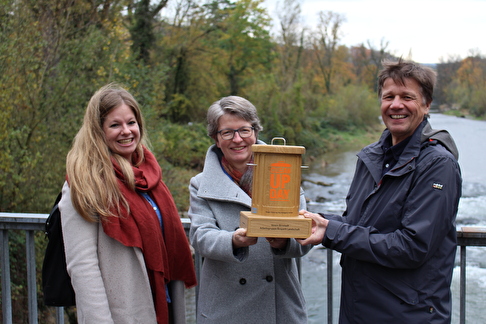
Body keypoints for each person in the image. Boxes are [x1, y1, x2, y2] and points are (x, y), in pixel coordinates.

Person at [298, 59, 462, 323]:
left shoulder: (437, 164)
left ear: (426, 104)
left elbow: (412, 246)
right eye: (389, 97)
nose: (396, 105)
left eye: (407, 97)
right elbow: (357, 224)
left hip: (407, 315)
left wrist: (332, 231)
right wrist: (315, 223)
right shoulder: (371, 157)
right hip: (360, 307)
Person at [59, 83, 197, 324]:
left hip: (163, 303)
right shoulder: (84, 183)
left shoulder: (149, 175)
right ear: (98, 131)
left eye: (131, 123)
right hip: (122, 313)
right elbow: (82, 268)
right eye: (115, 125)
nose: (126, 131)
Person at [188, 96, 312, 323]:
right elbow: (200, 237)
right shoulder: (200, 184)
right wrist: (233, 241)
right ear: (216, 138)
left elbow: (304, 240)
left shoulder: (285, 170)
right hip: (226, 309)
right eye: (227, 132)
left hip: (280, 307)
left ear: (255, 132)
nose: (237, 139)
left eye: (244, 130)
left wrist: (283, 242)